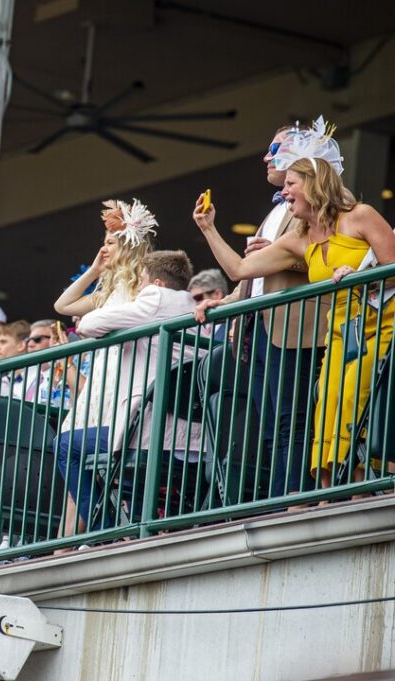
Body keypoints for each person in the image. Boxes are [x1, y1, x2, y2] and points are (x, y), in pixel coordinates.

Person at [192, 117, 395, 489]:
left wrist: (360, 273)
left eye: (290, 184)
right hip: (340, 331)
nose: (284, 193)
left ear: (313, 183)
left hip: (378, 326)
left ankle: (358, 481)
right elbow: (239, 268)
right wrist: (208, 228)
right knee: (325, 404)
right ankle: (328, 490)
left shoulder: (361, 216)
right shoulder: (300, 238)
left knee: (347, 398)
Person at [194, 123, 332, 499]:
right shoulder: (277, 210)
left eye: (275, 147)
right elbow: (249, 274)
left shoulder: (326, 197)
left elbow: (332, 254)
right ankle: (279, 500)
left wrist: (280, 260)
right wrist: (227, 300)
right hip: (259, 327)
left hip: (295, 325)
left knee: (292, 418)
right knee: (271, 424)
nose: (266, 156)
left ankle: (294, 499)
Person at [55, 251, 198, 537]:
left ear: (157, 282)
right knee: (122, 469)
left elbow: (88, 323)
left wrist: (99, 326)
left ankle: (102, 528)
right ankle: (125, 528)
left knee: (65, 444)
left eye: (142, 282)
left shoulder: (156, 297)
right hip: (190, 439)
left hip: (146, 432)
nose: (139, 289)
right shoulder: (193, 308)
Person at [54, 199, 157, 452]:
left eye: (110, 243)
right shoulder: (108, 291)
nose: (103, 249)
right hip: (102, 376)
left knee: (100, 454)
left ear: (128, 246)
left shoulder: (145, 287)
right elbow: (62, 306)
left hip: (124, 373)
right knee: (77, 450)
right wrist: (93, 270)